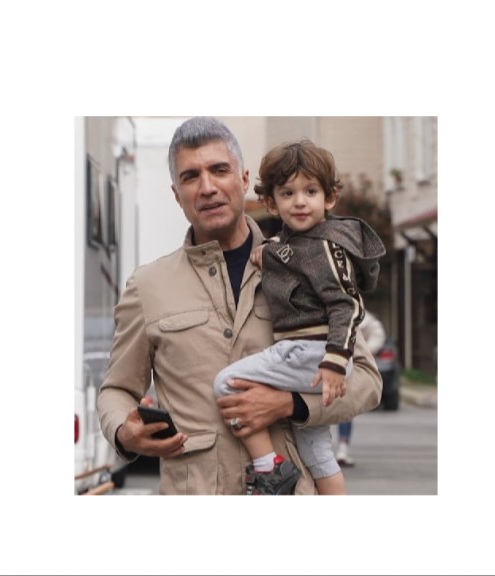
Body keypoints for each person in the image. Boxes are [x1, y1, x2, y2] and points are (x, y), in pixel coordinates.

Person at [96, 117, 383, 495]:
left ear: (244, 180)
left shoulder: (306, 263)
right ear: (176, 194)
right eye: (190, 177)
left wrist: (291, 405)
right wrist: (123, 430)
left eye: (219, 170)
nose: (208, 187)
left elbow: (366, 380)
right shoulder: (147, 287)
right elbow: (116, 389)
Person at [213, 140, 386, 495]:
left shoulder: (327, 246)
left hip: (311, 354)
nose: (300, 202)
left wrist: (335, 362)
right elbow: (293, 257)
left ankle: (268, 468)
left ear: (329, 198)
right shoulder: (298, 243)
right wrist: (270, 250)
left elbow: (347, 304)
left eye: (310, 191)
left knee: (227, 383)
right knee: (318, 453)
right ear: (271, 203)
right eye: (288, 193)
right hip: (313, 358)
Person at [336, 309, 386, 467]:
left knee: (344, 408)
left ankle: (342, 448)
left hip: (347, 369)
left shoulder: (362, 316)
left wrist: (360, 352)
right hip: (322, 365)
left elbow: (377, 334)